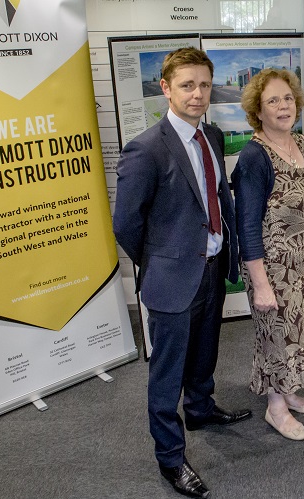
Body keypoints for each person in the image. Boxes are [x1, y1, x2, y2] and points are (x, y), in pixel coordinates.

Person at [113, 47, 252, 498]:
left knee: (204, 353)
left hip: (210, 270)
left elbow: (216, 199)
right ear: (166, 88)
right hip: (172, 279)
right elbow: (126, 225)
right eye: (188, 85)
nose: (198, 94)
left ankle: (201, 407)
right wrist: (159, 262)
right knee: (166, 373)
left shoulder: (209, 135)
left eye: (204, 85)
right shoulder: (145, 148)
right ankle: (171, 458)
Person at [232, 68, 304, 441]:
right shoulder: (253, 159)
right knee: (277, 338)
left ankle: (288, 391)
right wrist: (260, 284)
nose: (283, 106)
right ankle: (276, 408)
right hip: (272, 268)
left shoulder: (303, 144)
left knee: (300, 333)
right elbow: (247, 227)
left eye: (287, 98)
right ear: (258, 109)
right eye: (273, 100)